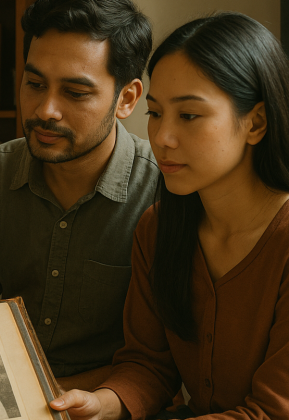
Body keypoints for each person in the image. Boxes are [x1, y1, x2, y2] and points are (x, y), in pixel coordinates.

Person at [51, 12, 289, 419]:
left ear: (256, 122)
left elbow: (271, 411)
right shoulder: (159, 227)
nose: (161, 138)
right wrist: (101, 404)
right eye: (156, 113)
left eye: (189, 115)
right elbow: (148, 365)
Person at [0, 0, 156, 391]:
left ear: (127, 99)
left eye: (75, 92)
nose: (46, 110)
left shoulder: (161, 190)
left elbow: (162, 354)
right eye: (34, 84)